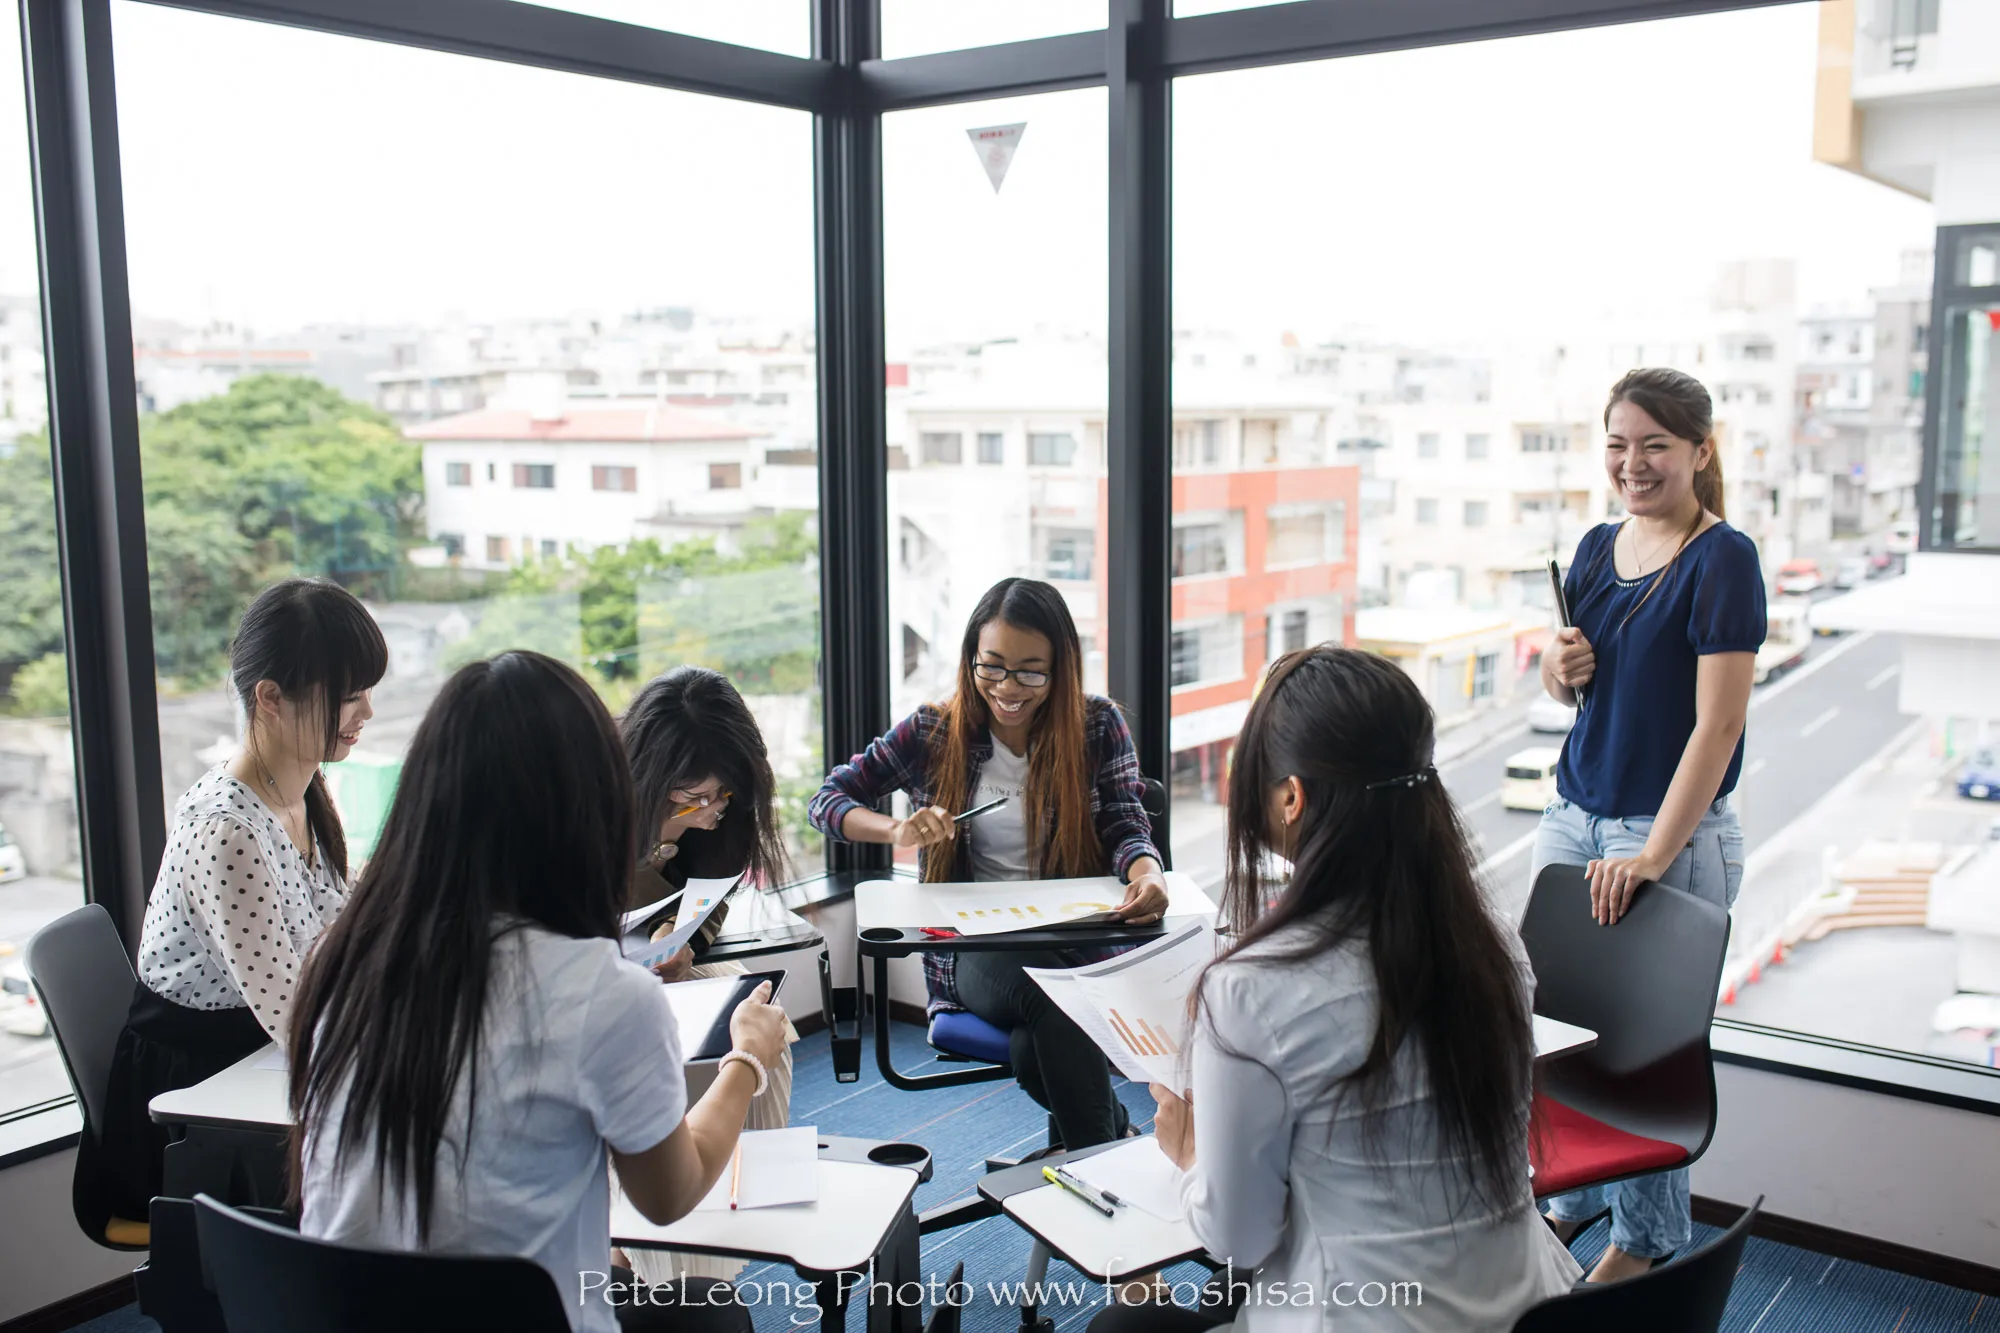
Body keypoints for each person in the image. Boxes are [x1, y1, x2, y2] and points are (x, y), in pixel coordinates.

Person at [291, 651, 786, 1333]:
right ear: (592, 803)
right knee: (713, 1317)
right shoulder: (601, 994)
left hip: (341, 1313)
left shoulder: (346, 960)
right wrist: (746, 1062)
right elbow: (669, 1195)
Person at [1099, 647, 1580, 1333]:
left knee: (1119, 1326)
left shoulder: (1249, 991)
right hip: (1527, 1310)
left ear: (1292, 796)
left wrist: (1189, 1153)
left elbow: (1237, 1239)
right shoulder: (1493, 942)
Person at [1534, 367, 1765, 1283]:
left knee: (1645, 1058)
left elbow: (1718, 726)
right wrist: (1559, 666)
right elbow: (1575, 696)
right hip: (1572, 815)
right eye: (1618, 444)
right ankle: (1580, 1190)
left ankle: (1650, 1235)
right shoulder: (1595, 547)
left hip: (1666, 835)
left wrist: (1651, 854)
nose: (1633, 463)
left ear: (1700, 451)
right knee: (1556, 1028)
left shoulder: (1723, 558)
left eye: (1655, 445)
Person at [808, 577, 1168, 1153]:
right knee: (1056, 1005)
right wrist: (895, 828)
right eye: (991, 666)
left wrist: (1147, 873)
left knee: (1039, 1046)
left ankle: (1097, 1139)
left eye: (1030, 671)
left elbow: (1126, 823)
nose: (1007, 687)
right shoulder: (933, 731)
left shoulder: (1097, 726)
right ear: (971, 659)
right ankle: (1104, 1163)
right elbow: (827, 801)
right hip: (975, 947)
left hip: (1077, 941)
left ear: (1061, 669)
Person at [94, 578, 385, 1226]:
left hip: (261, 1068)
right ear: (270, 697)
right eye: (347, 695)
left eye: (367, 691)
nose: (366, 713)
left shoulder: (302, 785)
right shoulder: (228, 831)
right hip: (200, 1103)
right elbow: (294, 1019)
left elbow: (347, 923)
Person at [616, 665, 797, 1288]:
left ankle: (724, 1224)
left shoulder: (718, 812)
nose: (715, 810)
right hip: (598, 976)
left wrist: (684, 943)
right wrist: (639, 947)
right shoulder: (593, 806)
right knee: (674, 1051)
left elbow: (712, 899)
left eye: (727, 795)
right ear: (653, 778)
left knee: (763, 1017)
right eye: (699, 796)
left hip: (656, 962)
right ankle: (651, 1250)